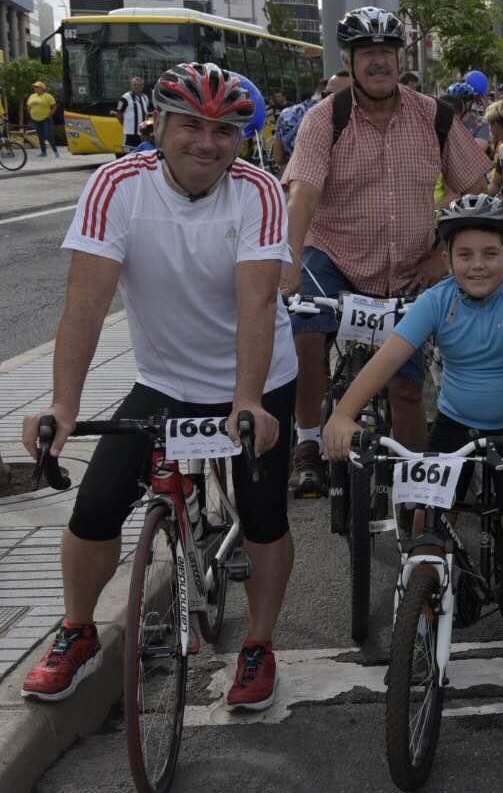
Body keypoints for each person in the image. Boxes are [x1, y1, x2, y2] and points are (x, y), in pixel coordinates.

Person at [20, 63, 298, 709]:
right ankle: (77, 631)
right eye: (191, 126)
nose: (207, 142)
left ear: (240, 138)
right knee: (95, 507)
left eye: (224, 131)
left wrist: (247, 400)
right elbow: (86, 305)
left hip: (255, 375)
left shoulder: (258, 190)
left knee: (263, 515)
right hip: (165, 377)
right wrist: (64, 405)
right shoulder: (116, 185)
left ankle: (258, 644)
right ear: (160, 126)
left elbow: (258, 304)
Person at [323, 195, 503, 690]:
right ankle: (423, 615)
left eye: (490, 253)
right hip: (455, 421)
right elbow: (388, 358)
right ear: (447, 259)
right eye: (464, 254)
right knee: (424, 521)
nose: (477, 265)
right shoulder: (437, 299)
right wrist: (342, 414)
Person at [281, 6, 492, 493]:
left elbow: (477, 189)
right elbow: (302, 194)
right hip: (334, 257)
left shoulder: (433, 115)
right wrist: (288, 262)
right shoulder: (324, 118)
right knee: (307, 331)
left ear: (400, 58)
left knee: (408, 387)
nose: (378, 61)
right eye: (366, 53)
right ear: (349, 62)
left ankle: (415, 492)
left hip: (409, 269)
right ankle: (308, 441)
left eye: (387, 52)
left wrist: (442, 254)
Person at [115, 75, 152, 153]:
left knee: (142, 153)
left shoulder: (145, 98)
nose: (137, 87)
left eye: (139, 85)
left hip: (143, 133)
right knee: (129, 154)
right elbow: (118, 114)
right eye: (134, 85)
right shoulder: (125, 97)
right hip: (130, 133)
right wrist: (126, 125)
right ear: (131, 86)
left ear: (142, 86)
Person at [28, 80, 59, 157]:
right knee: (40, 136)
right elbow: (28, 106)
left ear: (42, 88)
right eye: (35, 87)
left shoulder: (48, 96)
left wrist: (50, 115)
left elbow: (54, 106)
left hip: (46, 119)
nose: (35, 88)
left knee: (48, 135)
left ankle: (55, 151)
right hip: (35, 119)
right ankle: (43, 152)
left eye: (37, 87)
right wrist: (30, 114)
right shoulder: (32, 96)